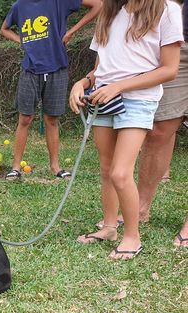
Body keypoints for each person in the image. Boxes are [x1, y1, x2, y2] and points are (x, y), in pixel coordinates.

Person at [69, 0, 183, 259]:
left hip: (138, 99)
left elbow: (170, 69)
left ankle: (132, 236)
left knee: (121, 173)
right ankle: (109, 228)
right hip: (103, 96)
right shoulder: (111, 12)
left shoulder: (166, 9)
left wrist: (119, 86)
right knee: (107, 169)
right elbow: (100, 70)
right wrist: (82, 82)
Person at [0, 0, 101, 180]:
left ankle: (55, 167)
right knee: (25, 118)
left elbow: (98, 5)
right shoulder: (19, 6)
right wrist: (21, 40)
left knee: (52, 119)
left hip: (57, 68)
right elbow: (4, 29)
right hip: (30, 69)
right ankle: (16, 167)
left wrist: (71, 32)